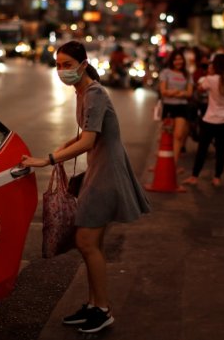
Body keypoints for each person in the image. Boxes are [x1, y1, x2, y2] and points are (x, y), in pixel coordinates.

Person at [20, 40, 150, 334]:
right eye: (58, 65)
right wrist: (61, 148)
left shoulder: (94, 93)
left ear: (82, 64)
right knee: (94, 243)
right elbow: (82, 136)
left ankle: (102, 310)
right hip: (98, 169)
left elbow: (89, 141)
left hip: (107, 173)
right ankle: (94, 305)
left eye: (67, 65)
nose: (61, 71)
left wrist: (48, 160)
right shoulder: (82, 92)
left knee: (87, 242)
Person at [183, 53, 224, 187]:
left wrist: (208, 74)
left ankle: (194, 176)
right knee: (221, 149)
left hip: (210, 119)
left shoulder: (210, 79)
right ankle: (217, 177)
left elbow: (199, 89)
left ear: (214, 65)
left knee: (202, 149)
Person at [159, 48, 193, 168]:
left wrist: (174, 92)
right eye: (175, 60)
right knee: (166, 136)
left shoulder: (187, 74)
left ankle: (173, 164)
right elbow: (163, 91)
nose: (178, 62)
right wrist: (179, 92)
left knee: (178, 136)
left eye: (180, 59)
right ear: (171, 61)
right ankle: (163, 163)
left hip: (182, 107)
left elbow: (189, 93)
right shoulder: (166, 72)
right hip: (168, 107)